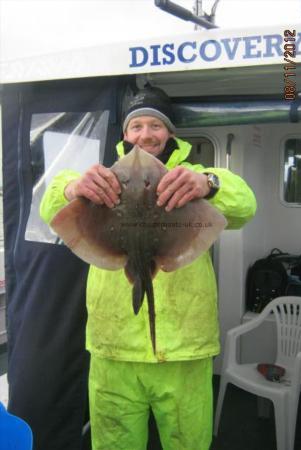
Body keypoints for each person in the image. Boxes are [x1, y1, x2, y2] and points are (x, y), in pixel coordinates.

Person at [40, 87, 257, 450]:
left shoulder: (195, 177)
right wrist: (73, 187)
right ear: (125, 134)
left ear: (170, 133)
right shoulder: (101, 179)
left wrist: (208, 185)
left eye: (155, 125)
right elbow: (49, 207)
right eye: (136, 126)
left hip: (184, 348)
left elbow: (245, 205)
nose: (145, 135)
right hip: (114, 347)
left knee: (187, 441)